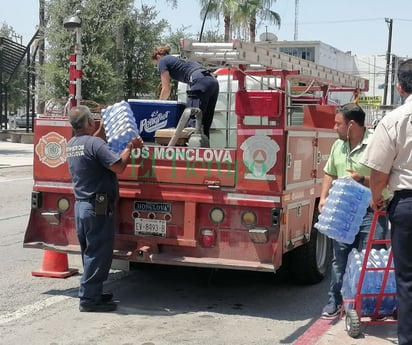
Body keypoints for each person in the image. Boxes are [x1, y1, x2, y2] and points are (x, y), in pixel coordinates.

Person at [66, 105, 143, 312]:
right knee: (98, 253)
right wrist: (130, 147)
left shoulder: (73, 144)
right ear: (90, 122)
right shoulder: (94, 144)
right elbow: (118, 166)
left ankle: (94, 293)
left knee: (89, 253)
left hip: (82, 206)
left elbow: (94, 144)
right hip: (97, 207)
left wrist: (100, 132)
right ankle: (89, 300)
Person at [319, 103, 389, 318]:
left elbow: (387, 176)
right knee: (339, 258)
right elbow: (329, 172)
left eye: (338, 123)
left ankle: (367, 304)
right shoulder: (338, 146)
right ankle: (335, 301)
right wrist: (323, 198)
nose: (334, 127)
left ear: (351, 125)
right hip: (343, 211)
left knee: (369, 259)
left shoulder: (377, 143)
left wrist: (362, 179)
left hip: (371, 212)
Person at [361, 58, 412, 345]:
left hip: (407, 205)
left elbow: (378, 173)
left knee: (408, 280)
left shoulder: (394, 120)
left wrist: (376, 198)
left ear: (399, 86)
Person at [151, 46, 219, 139]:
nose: (158, 67)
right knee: (205, 121)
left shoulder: (162, 61)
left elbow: (166, 88)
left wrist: (159, 105)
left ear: (158, 57)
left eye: (156, 65)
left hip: (199, 82)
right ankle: (203, 148)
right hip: (212, 80)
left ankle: (193, 150)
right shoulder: (178, 59)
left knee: (193, 120)